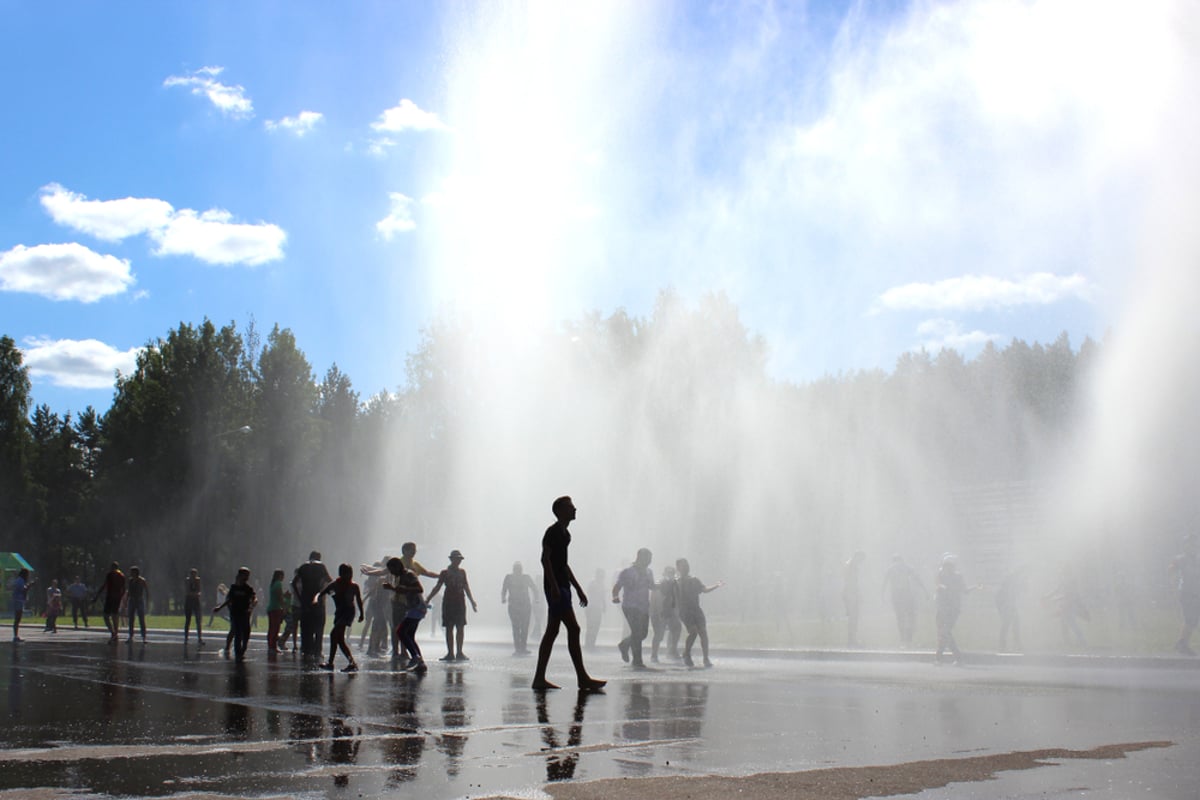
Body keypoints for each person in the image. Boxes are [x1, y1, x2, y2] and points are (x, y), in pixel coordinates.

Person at [531, 496, 605, 691]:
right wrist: (554, 586)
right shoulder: (553, 532)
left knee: (552, 632)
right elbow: (545, 560)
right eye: (571, 507)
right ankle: (582, 677)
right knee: (574, 629)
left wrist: (578, 588)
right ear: (560, 511)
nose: (575, 509)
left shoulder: (565, 534)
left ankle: (539, 678)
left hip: (561, 587)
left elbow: (563, 565)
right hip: (556, 588)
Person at [427, 550, 478, 662]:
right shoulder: (445, 573)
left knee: (460, 627)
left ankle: (459, 652)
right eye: (456, 559)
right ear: (451, 559)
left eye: (459, 559)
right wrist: (428, 599)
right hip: (449, 602)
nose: (458, 561)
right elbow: (438, 587)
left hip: (460, 602)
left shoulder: (462, 572)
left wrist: (472, 601)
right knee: (449, 627)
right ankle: (450, 653)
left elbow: (466, 587)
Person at [382, 556, 428, 673]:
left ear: (397, 567)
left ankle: (415, 657)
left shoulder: (409, 575)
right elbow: (402, 590)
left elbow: (419, 589)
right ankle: (420, 663)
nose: (392, 573)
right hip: (413, 608)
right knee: (410, 635)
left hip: (417, 607)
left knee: (400, 631)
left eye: (392, 570)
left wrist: (392, 588)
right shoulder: (402, 576)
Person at [676, 558, 723, 668]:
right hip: (685, 611)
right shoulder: (676, 582)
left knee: (703, 633)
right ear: (678, 568)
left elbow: (704, 589)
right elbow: (671, 597)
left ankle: (705, 658)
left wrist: (716, 585)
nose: (686, 567)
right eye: (682, 565)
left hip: (696, 610)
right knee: (693, 632)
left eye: (687, 565)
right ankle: (687, 653)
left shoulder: (694, 580)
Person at [612, 548, 654, 669]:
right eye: (648, 558)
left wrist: (663, 587)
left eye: (650, 559)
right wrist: (615, 596)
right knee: (636, 632)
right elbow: (617, 586)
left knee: (643, 633)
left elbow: (651, 586)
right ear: (640, 557)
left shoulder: (649, 572)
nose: (650, 561)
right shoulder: (628, 572)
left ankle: (624, 645)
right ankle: (637, 660)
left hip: (644, 606)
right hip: (630, 606)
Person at [319, 564, 364, 672]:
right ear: (341, 574)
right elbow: (323, 592)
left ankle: (332, 663)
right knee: (339, 639)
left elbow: (358, 600)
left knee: (334, 634)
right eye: (346, 574)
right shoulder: (335, 584)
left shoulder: (354, 586)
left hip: (348, 613)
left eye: (350, 574)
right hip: (339, 613)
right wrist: (316, 599)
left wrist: (362, 613)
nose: (349, 576)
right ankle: (350, 663)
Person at [934, 554, 974, 665]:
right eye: (946, 565)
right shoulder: (941, 575)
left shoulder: (957, 577)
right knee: (943, 633)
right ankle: (940, 658)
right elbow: (938, 586)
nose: (947, 568)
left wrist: (975, 587)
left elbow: (965, 590)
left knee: (945, 632)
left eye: (949, 566)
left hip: (952, 609)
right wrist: (942, 588)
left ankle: (946, 657)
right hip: (942, 608)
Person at [294, 551, 332, 659]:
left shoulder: (303, 567)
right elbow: (330, 581)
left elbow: (293, 583)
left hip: (305, 601)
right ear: (319, 558)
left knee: (306, 627)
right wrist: (326, 591)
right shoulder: (321, 566)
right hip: (318, 601)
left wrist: (300, 598)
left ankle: (306, 649)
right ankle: (317, 650)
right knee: (319, 627)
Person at [882, 554, 926, 647]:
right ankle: (908, 638)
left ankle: (902, 638)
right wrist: (924, 589)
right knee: (910, 616)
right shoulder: (907, 567)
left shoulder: (891, 568)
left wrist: (882, 594)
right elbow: (916, 578)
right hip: (906, 593)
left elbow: (885, 582)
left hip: (896, 594)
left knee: (900, 617)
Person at [213, 567, 256, 662]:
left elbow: (254, 598)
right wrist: (219, 608)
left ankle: (243, 649)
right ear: (240, 575)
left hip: (245, 614)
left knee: (246, 633)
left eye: (248, 576)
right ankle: (238, 654)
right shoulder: (234, 588)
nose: (247, 577)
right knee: (237, 633)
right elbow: (229, 600)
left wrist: (252, 605)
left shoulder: (248, 588)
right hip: (235, 614)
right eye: (246, 575)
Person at [1168, 534, 1199, 656]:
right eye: (1190, 544)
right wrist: (1173, 587)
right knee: (1190, 619)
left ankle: (1182, 643)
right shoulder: (1181, 559)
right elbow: (1171, 572)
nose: (1193, 546)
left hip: (1196, 592)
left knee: (1193, 620)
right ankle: (1182, 644)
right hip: (1186, 592)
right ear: (1185, 546)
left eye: (1194, 544)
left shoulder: (1197, 559)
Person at [501, 561, 537, 656]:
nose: (518, 571)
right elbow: (504, 589)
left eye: (519, 569)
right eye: (516, 569)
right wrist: (503, 598)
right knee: (516, 627)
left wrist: (536, 598)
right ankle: (518, 648)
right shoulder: (509, 578)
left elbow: (534, 588)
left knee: (524, 627)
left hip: (525, 606)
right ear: (514, 570)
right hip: (514, 606)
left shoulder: (526, 578)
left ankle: (522, 647)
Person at [650, 565, 681, 662]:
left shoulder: (675, 584)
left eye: (672, 573)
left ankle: (672, 651)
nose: (671, 576)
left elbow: (677, 599)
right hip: (660, 612)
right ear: (664, 574)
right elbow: (654, 599)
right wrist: (654, 612)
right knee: (659, 634)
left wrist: (677, 610)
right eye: (669, 573)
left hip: (671, 612)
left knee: (676, 629)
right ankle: (654, 654)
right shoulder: (659, 584)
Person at [995, 566, 1027, 652]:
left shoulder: (1014, 579)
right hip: (1005, 602)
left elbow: (1016, 593)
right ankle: (1008, 644)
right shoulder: (1013, 579)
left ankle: (1009, 644)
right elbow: (1008, 593)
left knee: (1012, 622)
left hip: (1006, 602)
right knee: (1009, 622)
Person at [93, 562, 125, 644]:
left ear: (112, 567)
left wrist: (97, 596)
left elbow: (104, 585)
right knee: (115, 615)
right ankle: (115, 633)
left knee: (106, 616)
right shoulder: (121, 575)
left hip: (110, 597)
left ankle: (113, 632)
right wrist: (121, 597)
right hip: (117, 597)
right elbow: (124, 588)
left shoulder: (110, 575)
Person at [843, 551, 866, 648]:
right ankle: (852, 640)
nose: (861, 562)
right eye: (861, 560)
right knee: (853, 617)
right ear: (857, 557)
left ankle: (852, 639)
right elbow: (852, 582)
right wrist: (857, 594)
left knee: (853, 618)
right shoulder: (852, 566)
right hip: (851, 594)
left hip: (849, 593)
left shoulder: (848, 564)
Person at [584, 569, 606, 650]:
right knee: (590, 626)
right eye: (601, 575)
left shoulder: (602, 584)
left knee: (596, 626)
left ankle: (592, 644)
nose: (602, 577)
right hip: (591, 607)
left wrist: (604, 605)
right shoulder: (592, 583)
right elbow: (589, 593)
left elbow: (602, 596)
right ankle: (588, 644)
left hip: (598, 608)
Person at [125, 566, 149, 642]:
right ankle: (131, 636)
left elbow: (147, 591)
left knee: (141, 619)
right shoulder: (130, 581)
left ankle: (144, 636)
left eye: (132, 572)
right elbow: (129, 591)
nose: (131, 574)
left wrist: (147, 601)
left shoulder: (142, 580)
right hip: (132, 600)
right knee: (131, 619)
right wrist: (126, 600)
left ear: (136, 572)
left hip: (139, 600)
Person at [266, 569, 286, 654]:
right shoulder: (278, 583)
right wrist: (284, 607)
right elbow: (279, 597)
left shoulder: (273, 584)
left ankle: (270, 645)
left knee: (271, 628)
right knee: (276, 628)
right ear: (280, 576)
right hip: (276, 608)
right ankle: (273, 647)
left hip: (271, 608)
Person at [11, 568, 34, 642]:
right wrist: (30, 585)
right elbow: (23, 589)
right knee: (17, 618)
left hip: (19, 600)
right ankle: (15, 636)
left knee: (18, 618)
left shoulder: (20, 580)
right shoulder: (20, 580)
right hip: (18, 600)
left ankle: (16, 635)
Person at [183, 568, 205, 646]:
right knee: (188, 620)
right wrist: (195, 594)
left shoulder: (198, 580)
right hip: (189, 601)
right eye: (192, 575)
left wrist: (197, 593)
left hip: (196, 602)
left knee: (198, 620)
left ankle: (199, 638)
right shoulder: (187, 580)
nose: (193, 576)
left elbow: (199, 590)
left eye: (195, 575)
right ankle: (186, 638)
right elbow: (187, 591)